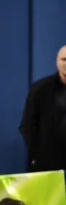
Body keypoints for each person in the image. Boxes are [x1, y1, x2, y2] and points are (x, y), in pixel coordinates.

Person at [19, 45, 66, 174]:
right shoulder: (40, 88)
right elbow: (27, 126)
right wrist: (37, 155)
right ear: (57, 61)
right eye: (64, 59)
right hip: (46, 163)